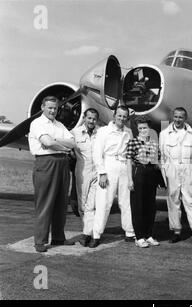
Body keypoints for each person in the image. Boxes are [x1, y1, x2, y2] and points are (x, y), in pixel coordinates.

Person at [28, 96, 76, 253]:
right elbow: (47, 143)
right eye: (49, 107)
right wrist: (62, 145)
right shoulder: (37, 123)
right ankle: (40, 241)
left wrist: (55, 140)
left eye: (55, 108)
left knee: (61, 202)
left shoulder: (59, 124)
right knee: (45, 202)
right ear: (42, 107)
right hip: (45, 163)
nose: (52, 111)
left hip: (62, 163)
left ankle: (58, 237)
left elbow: (72, 142)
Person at [159, 107, 192, 247]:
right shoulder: (164, 134)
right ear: (172, 117)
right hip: (172, 169)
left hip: (188, 169)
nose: (178, 120)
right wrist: (166, 173)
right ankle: (176, 232)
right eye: (176, 116)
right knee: (173, 202)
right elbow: (162, 156)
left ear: (185, 118)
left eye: (181, 117)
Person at [89, 105, 135, 248]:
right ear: (114, 116)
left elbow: (130, 152)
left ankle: (129, 231)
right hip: (109, 165)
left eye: (124, 116)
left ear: (127, 118)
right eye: (119, 115)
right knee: (105, 202)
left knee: (125, 201)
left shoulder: (128, 131)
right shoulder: (104, 131)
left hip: (124, 166)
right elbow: (97, 154)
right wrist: (102, 173)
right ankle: (96, 235)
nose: (121, 118)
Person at [127, 116, 162, 248]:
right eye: (140, 128)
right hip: (139, 173)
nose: (143, 130)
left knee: (150, 206)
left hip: (151, 173)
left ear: (149, 128)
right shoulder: (133, 142)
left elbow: (157, 162)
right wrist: (130, 179)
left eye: (145, 128)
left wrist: (159, 179)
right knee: (138, 206)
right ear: (137, 129)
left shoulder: (154, 143)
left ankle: (149, 235)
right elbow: (128, 161)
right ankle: (139, 236)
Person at [70, 108, 99, 247]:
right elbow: (65, 145)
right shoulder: (74, 133)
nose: (91, 121)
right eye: (89, 118)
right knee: (82, 205)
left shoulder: (101, 133)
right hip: (83, 171)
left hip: (98, 172)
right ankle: (88, 231)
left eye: (94, 119)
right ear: (84, 118)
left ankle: (89, 234)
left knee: (91, 206)